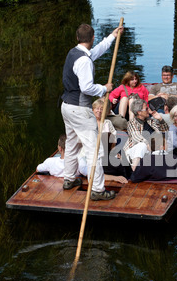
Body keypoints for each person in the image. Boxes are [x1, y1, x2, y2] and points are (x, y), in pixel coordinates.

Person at [61, 22, 124, 201]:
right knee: (94, 150)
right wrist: (104, 88)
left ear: (77, 38)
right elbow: (87, 87)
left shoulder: (74, 53)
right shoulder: (83, 61)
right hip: (80, 110)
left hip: (66, 107)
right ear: (92, 37)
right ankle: (97, 189)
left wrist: (112, 36)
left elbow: (94, 53)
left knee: (72, 144)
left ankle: (69, 179)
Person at [37, 134, 127, 185]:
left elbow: (38, 169)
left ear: (59, 148)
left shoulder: (49, 162)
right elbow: (93, 176)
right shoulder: (80, 162)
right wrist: (115, 178)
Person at [123, 98, 169, 171]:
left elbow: (166, 131)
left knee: (164, 144)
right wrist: (148, 145)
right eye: (146, 109)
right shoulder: (131, 123)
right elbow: (136, 137)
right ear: (139, 112)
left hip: (150, 151)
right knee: (142, 145)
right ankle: (134, 171)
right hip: (134, 152)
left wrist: (160, 119)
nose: (149, 110)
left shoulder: (151, 121)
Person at [92, 98, 129, 179]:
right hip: (92, 153)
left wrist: (114, 153)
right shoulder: (89, 123)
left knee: (123, 162)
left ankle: (127, 180)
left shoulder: (107, 123)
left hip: (107, 152)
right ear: (93, 110)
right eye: (97, 108)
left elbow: (113, 140)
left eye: (101, 109)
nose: (99, 111)